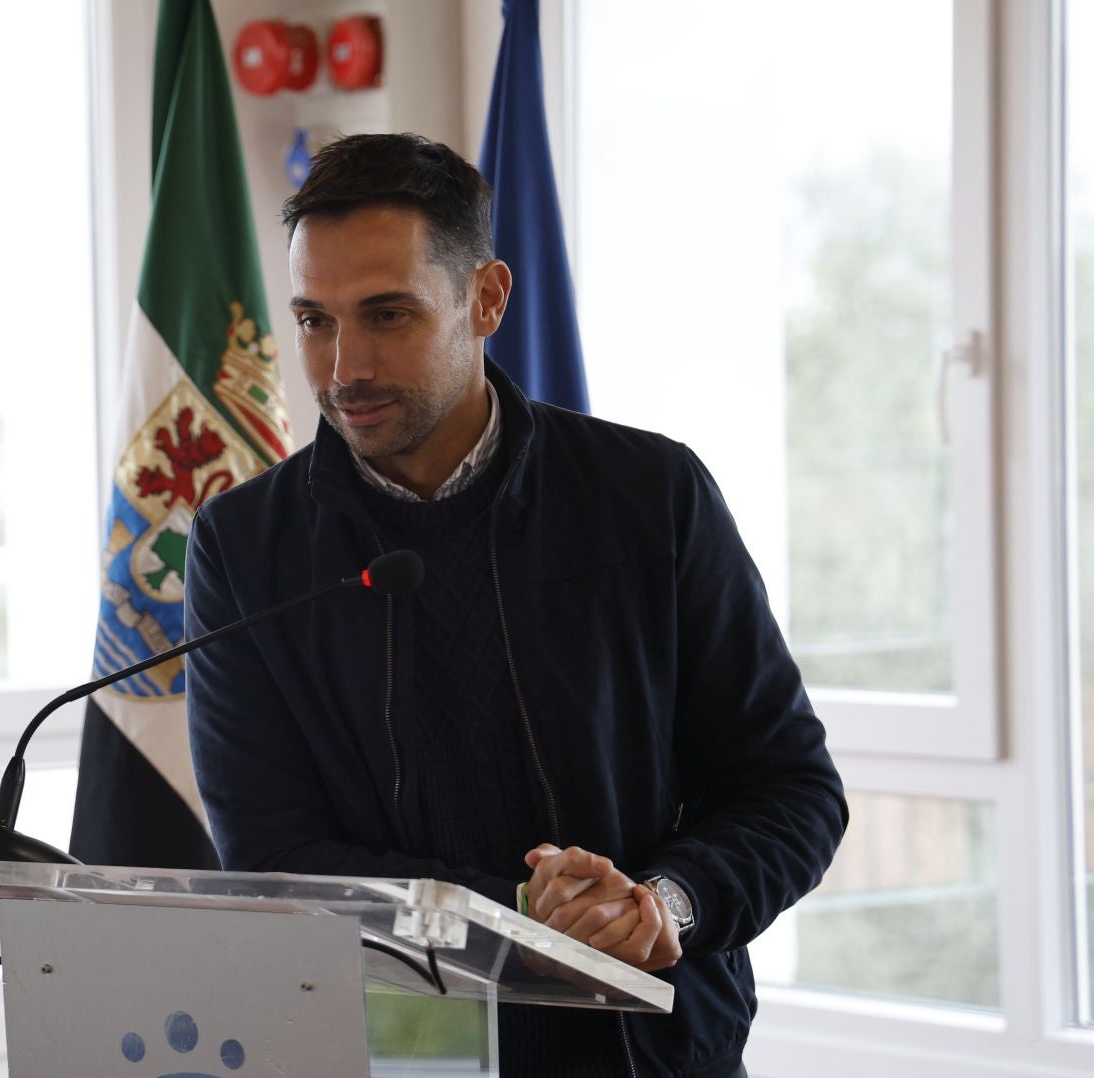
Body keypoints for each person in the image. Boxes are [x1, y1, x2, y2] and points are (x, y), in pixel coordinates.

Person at [184, 133, 847, 1076]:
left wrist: (666, 903)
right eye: (315, 321)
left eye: (387, 315)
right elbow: (271, 857)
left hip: (648, 1053)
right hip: (400, 1057)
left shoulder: (651, 496)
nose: (343, 368)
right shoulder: (245, 546)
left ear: (486, 299)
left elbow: (791, 789)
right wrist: (525, 919)